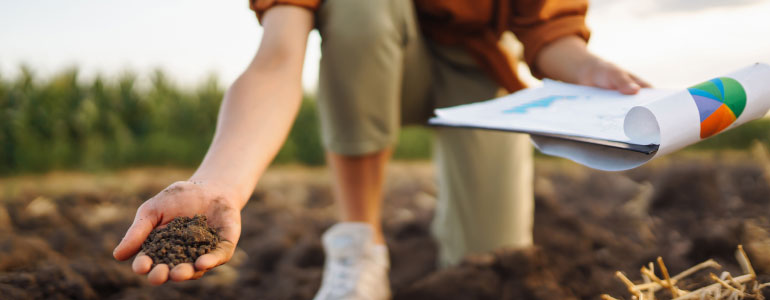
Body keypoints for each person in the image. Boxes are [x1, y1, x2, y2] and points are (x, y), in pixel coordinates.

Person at [113, 0, 650, 298]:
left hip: (478, 71)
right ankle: (359, 247)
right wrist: (218, 185)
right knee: (359, 9)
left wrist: (590, 70)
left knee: (490, 267)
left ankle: (448, 234)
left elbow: (549, 29)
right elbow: (278, 59)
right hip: (366, 56)